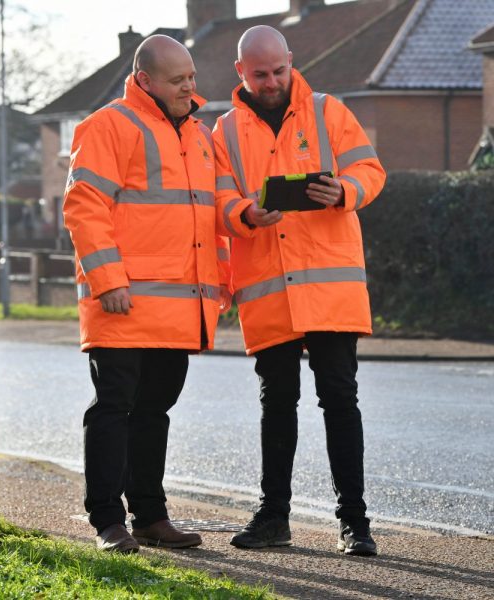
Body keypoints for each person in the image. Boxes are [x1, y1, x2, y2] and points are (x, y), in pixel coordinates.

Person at [212, 26, 386, 556]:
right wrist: (244, 212)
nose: (271, 82)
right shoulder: (223, 131)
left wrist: (345, 190)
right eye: (260, 74)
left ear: (291, 61)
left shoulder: (329, 111)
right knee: (277, 404)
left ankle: (355, 523)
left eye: (278, 71)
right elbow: (216, 198)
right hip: (269, 290)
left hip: (330, 286)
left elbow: (370, 170)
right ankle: (274, 519)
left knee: (340, 399)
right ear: (242, 73)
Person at [63, 35, 230, 553]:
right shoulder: (108, 125)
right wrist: (108, 280)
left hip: (176, 306)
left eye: (192, 77)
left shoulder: (200, 137)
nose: (190, 87)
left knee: (155, 409)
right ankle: (108, 522)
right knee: (114, 406)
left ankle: (151, 517)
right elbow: (84, 205)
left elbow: (216, 206)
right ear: (144, 81)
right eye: (178, 79)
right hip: (122, 300)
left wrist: (248, 215)